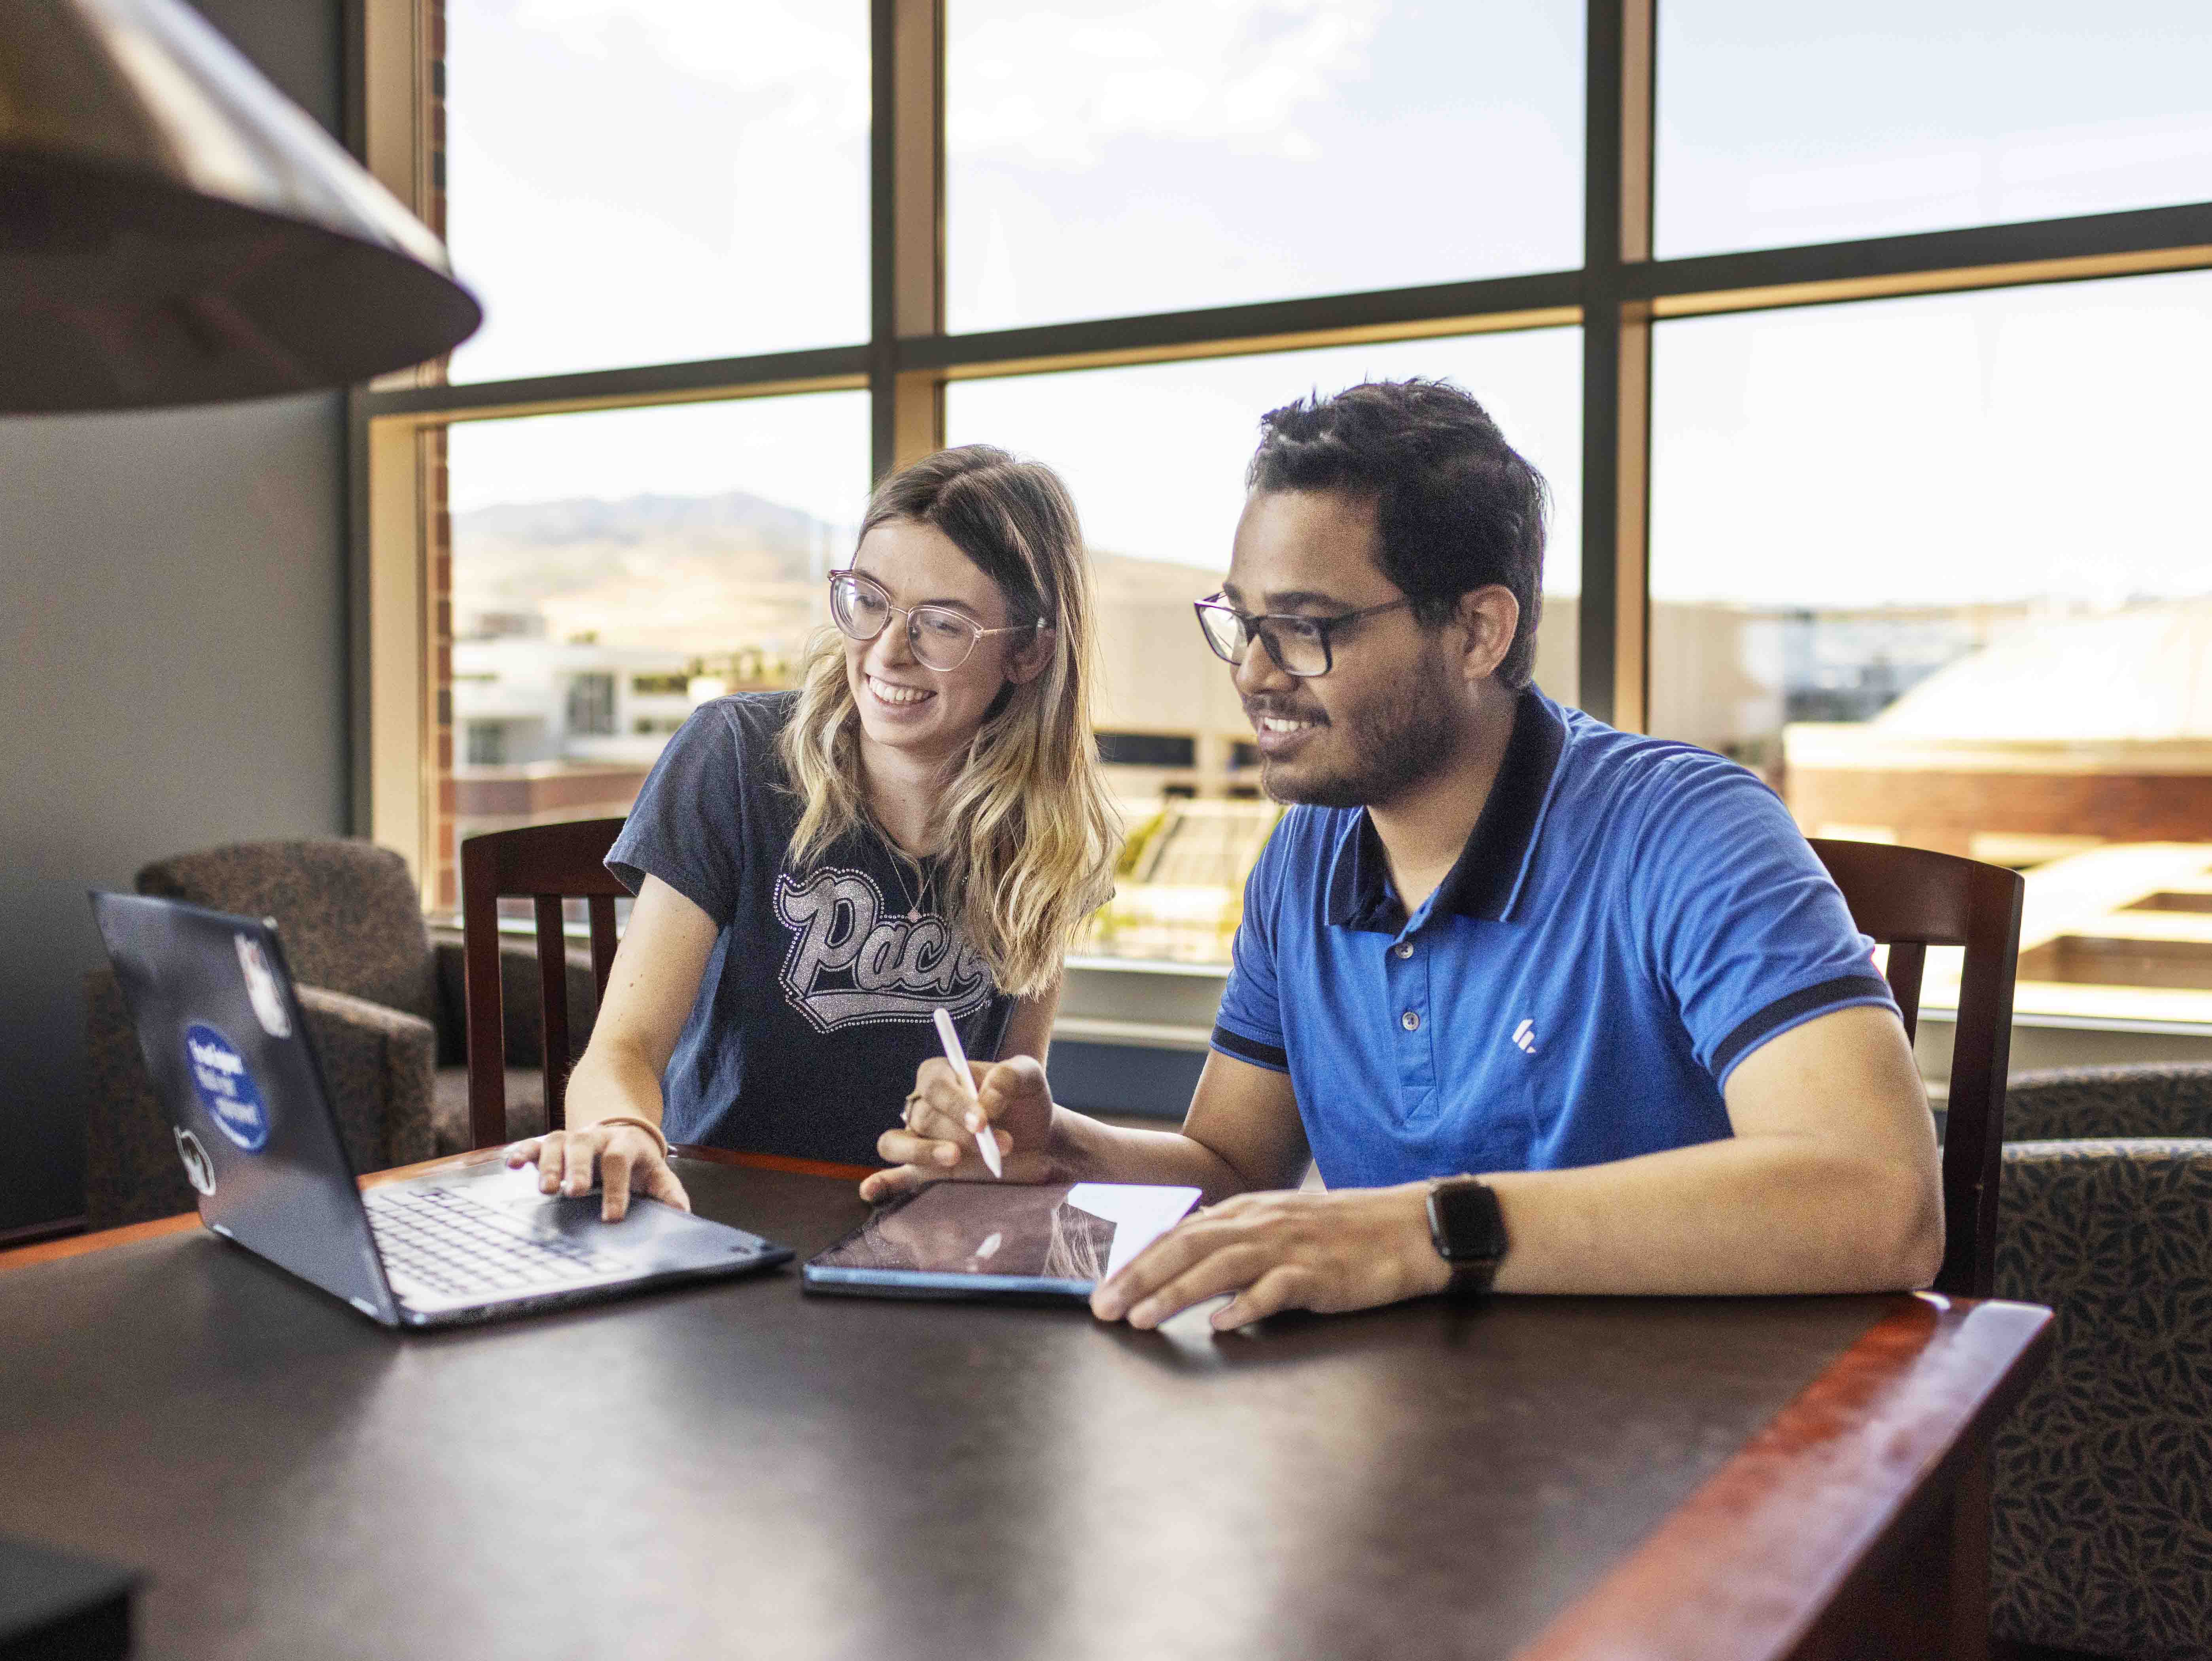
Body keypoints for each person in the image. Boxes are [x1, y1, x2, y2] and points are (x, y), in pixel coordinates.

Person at [878, 380, 1943, 1330]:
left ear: (1478, 631)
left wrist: (1422, 1232)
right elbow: (1233, 1167)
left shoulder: (1691, 831)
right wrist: (1065, 1146)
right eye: (1239, 623)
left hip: (1694, 1452)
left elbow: (1881, 1204)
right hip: (1414, 1438)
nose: (1252, 672)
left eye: (1305, 627)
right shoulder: (1304, 856)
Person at [508, 446, 1120, 1219]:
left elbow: (1011, 1101)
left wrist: (981, 1136)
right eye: (868, 600)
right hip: (716, 1210)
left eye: (941, 624)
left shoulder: (1052, 835)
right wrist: (621, 1127)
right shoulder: (734, 754)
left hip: (914, 1232)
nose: (887, 652)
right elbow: (621, 1051)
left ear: (1028, 650)